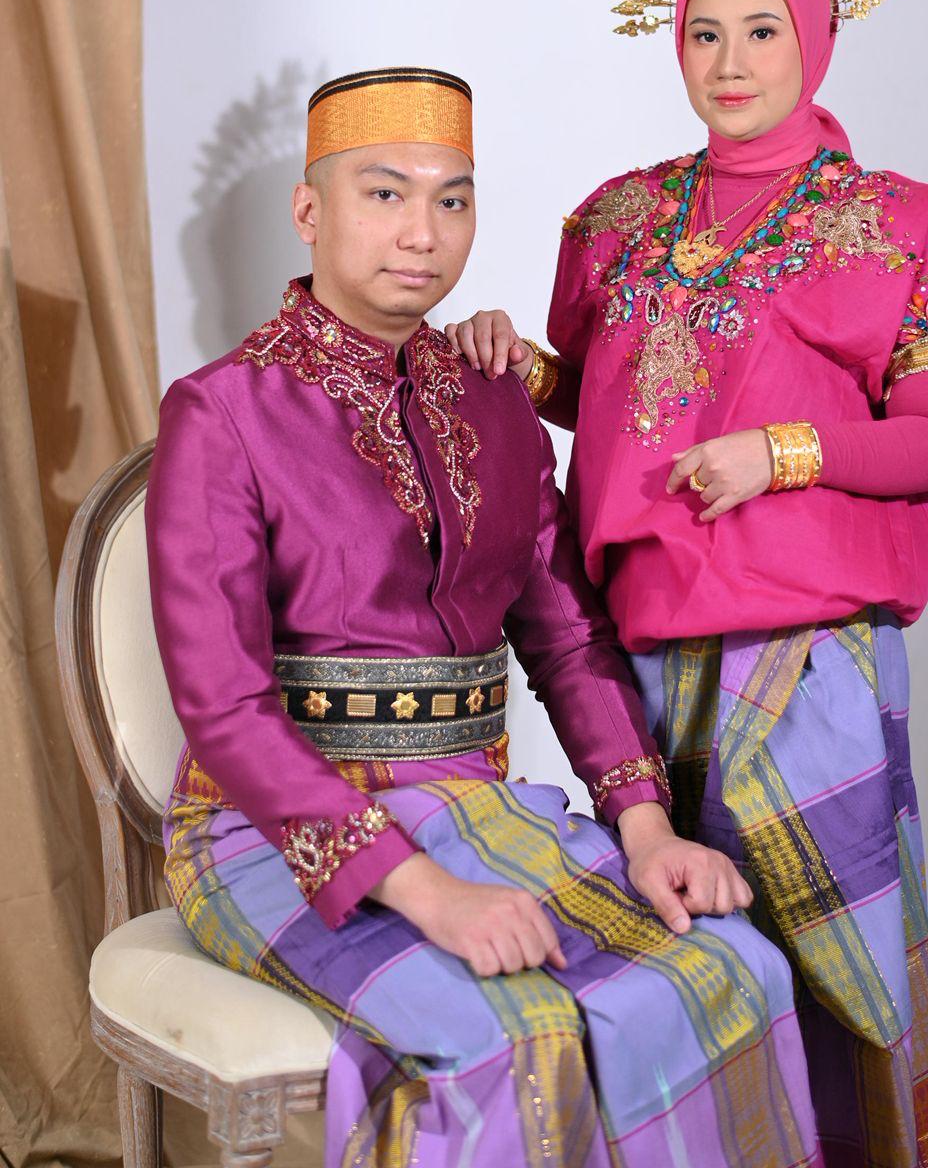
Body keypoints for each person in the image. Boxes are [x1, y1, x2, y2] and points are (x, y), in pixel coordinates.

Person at [146, 65, 821, 1168]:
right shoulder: (222, 411)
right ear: (309, 209)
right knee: (513, 1038)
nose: (423, 232)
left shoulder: (493, 393)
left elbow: (567, 637)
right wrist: (430, 897)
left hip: (472, 804)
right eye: (384, 193)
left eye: (451, 199)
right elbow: (222, 708)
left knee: (735, 969)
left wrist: (645, 825)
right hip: (268, 835)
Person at [447, 0, 928, 1167]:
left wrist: (778, 454)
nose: (729, 60)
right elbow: (608, 399)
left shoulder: (889, 227)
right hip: (643, 644)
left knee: (836, 957)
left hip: (806, 658)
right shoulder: (616, 220)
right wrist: (522, 369)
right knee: (693, 964)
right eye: (702, 32)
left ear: (813, 40)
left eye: (759, 29)